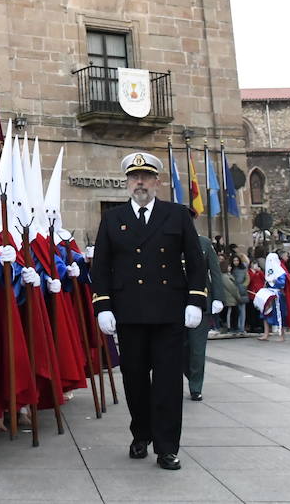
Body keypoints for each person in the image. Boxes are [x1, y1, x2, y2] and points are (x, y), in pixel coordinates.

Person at [90, 153, 207, 471]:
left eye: (145, 177)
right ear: (127, 183)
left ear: (157, 181)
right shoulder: (112, 218)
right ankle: (141, 434)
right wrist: (103, 305)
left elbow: (196, 261)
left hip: (169, 312)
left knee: (168, 382)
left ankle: (167, 447)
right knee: (135, 379)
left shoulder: (176, 215)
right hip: (129, 313)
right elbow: (101, 267)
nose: (139, 182)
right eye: (133, 177)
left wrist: (195, 300)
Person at [183, 233, 225, 402]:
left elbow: (215, 272)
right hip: (176, 302)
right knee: (180, 348)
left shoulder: (204, 243)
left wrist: (218, 297)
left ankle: (195, 387)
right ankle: (192, 375)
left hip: (201, 301)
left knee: (197, 349)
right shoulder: (171, 239)